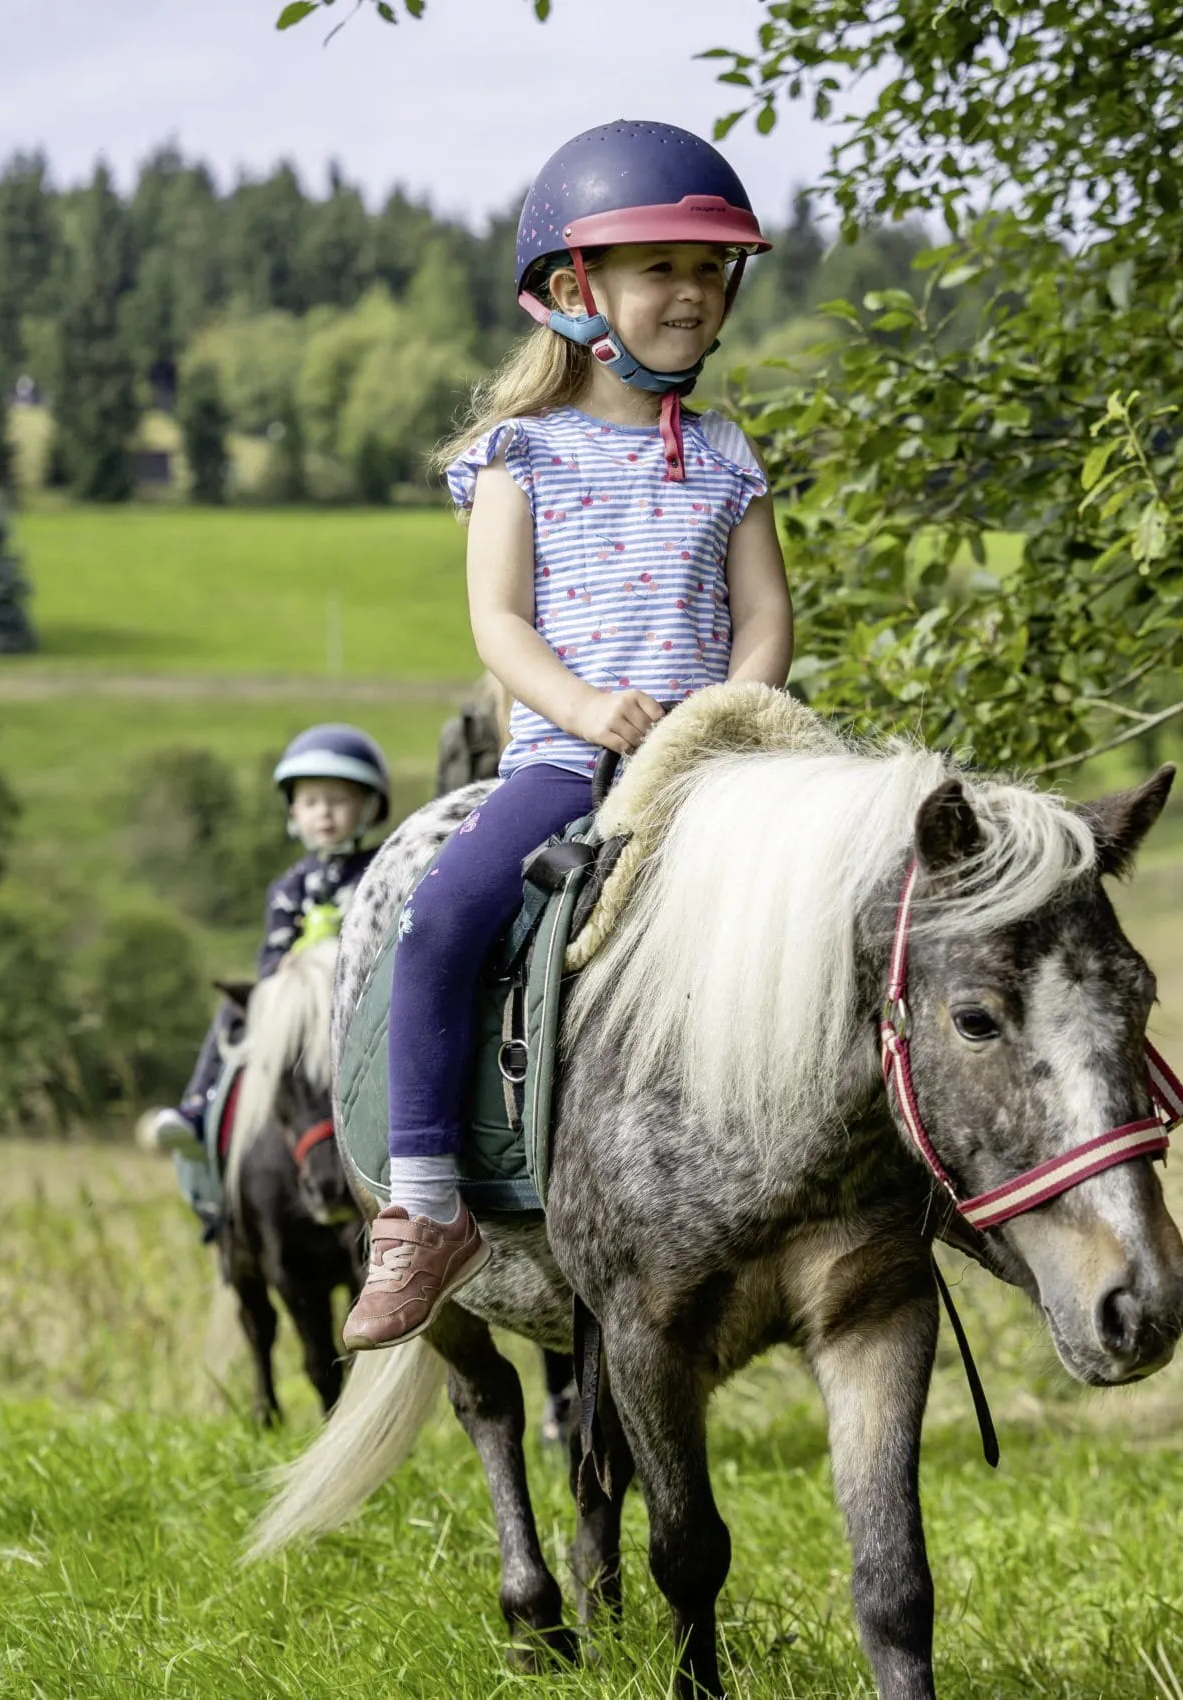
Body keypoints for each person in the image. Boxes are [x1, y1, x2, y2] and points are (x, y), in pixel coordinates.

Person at [339, 120, 794, 1352]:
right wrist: (591, 712)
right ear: (568, 293)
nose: (693, 295)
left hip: (712, 767)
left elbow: (765, 617)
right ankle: (426, 1204)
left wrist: (726, 717)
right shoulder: (519, 454)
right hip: (566, 762)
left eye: (709, 272)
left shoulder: (726, 453)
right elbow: (498, 621)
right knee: (444, 920)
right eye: (661, 270)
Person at [137, 724, 391, 1230]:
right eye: (312, 801)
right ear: (293, 813)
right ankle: (195, 1110)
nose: (325, 812)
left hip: (351, 998)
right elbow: (272, 956)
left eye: (339, 801)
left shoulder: (379, 871)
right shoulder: (288, 886)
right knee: (233, 1017)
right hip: (298, 1000)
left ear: (368, 809)